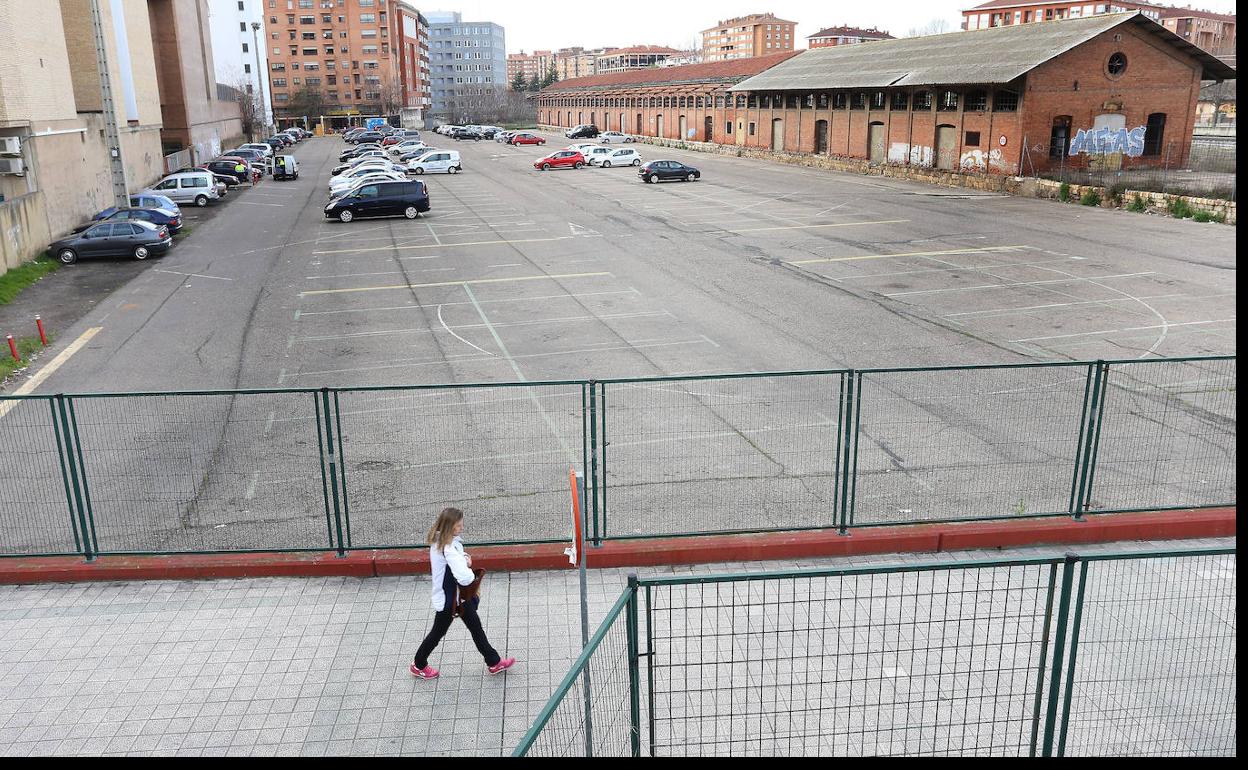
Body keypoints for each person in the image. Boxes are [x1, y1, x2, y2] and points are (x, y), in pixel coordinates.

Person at [411, 507, 516, 679]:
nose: (462, 528)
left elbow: (457, 555)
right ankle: (418, 664)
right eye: (459, 526)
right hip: (451, 600)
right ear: (451, 527)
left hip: (456, 598)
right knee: (438, 633)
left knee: (474, 627)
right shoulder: (448, 547)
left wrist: (464, 557)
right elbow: (464, 576)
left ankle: (494, 661)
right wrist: (467, 565)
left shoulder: (442, 542)